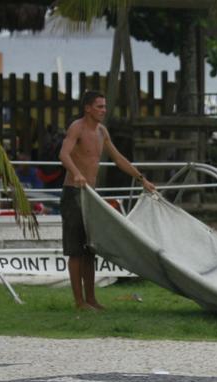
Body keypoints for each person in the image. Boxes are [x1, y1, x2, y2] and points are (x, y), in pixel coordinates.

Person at [58, 90, 155, 310]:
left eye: (104, 106)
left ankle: (91, 299)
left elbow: (118, 158)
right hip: (74, 192)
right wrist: (76, 173)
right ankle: (79, 301)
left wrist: (141, 179)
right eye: (99, 106)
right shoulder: (77, 127)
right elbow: (63, 154)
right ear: (88, 108)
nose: (104, 110)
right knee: (75, 250)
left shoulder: (102, 131)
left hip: (91, 196)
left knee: (90, 248)